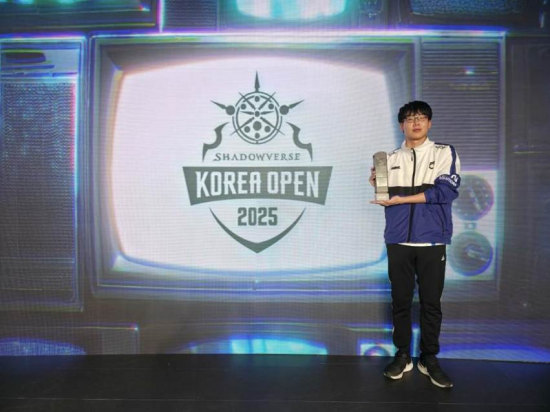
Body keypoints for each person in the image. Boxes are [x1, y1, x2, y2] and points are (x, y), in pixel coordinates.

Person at [370, 101, 460, 389]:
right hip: (398, 240)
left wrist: (403, 199)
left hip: (432, 240)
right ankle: (403, 355)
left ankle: (428, 358)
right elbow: (387, 196)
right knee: (400, 302)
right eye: (410, 119)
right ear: (402, 125)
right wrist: (377, 184)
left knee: (431, 303)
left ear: (429, 123)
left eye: (421, 118)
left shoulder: (443, 152)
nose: (416, 123)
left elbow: (445, 192)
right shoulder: (390, 158)